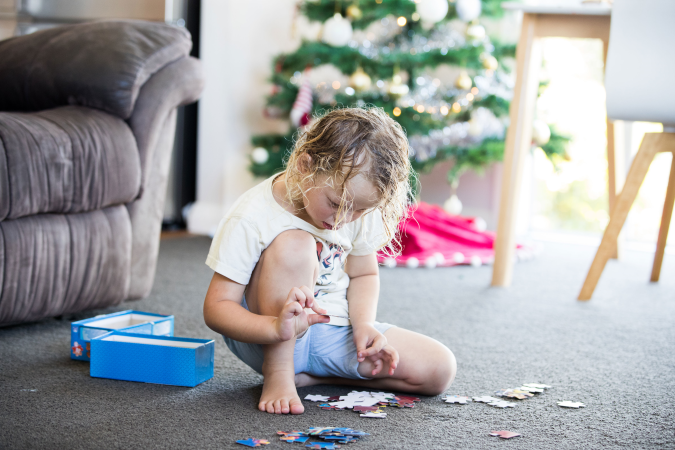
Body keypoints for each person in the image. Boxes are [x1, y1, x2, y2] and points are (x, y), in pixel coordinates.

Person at [203, 107, 456, 415]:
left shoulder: (356, 203)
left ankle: (313, 378)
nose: (344, 219)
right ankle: (281, 374)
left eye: (359, 210)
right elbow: (217, 308)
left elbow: (364, 275)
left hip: (332, 332)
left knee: (440, 368)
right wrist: (275, 328)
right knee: (294, 244)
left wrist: (363, 326)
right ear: (304, 166)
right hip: (268, 339)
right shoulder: (253, 215)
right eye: (336, 204)